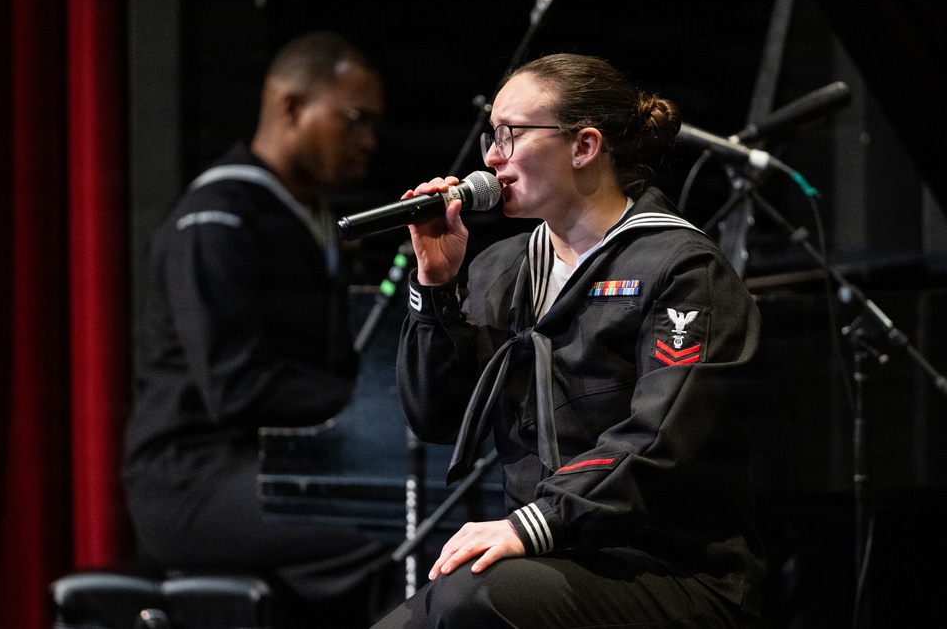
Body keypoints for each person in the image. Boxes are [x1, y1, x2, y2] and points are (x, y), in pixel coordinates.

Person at [374, 53, 764, 628]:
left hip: (669, 570)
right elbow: (435, 418)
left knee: (472, 601)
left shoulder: (682, 269)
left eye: (512, 134)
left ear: (584, 146)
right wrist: (436, 286)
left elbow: (655, 443)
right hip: (551, 560)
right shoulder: (505, 268)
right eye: (491, 135)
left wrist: (530, 524)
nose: (491, 156)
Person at [123, 31, 394, 627]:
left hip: (273, 463)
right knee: (395, 522)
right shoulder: (218, 217)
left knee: (415, 506)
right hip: (193, 478)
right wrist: (371, 409)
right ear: (291, 108)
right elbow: (237, 386)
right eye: (355, 120)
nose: (368, 142)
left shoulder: (310, 219)